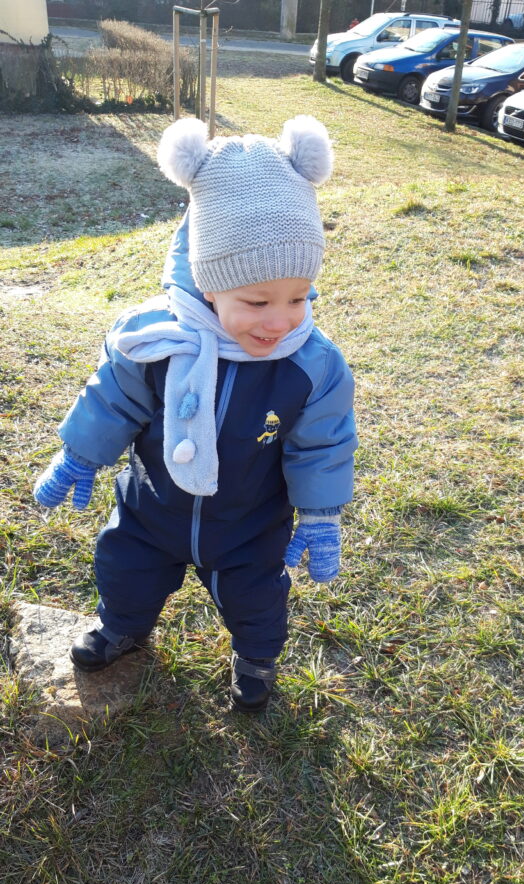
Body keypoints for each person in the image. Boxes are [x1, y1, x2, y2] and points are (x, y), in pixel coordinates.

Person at [33, 115, 357, 713]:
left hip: (248, 524)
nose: (280, 320)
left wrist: (319, 513)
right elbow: (112, 397)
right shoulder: (156, 338)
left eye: (298, 296)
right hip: (152, 507)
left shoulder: (312, 363)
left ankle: (255, 658)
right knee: (125, 569)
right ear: (210, 284)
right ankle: (123, 627)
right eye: (256, 301)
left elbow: (323, 444)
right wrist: (79, 455)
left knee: (257, 599)